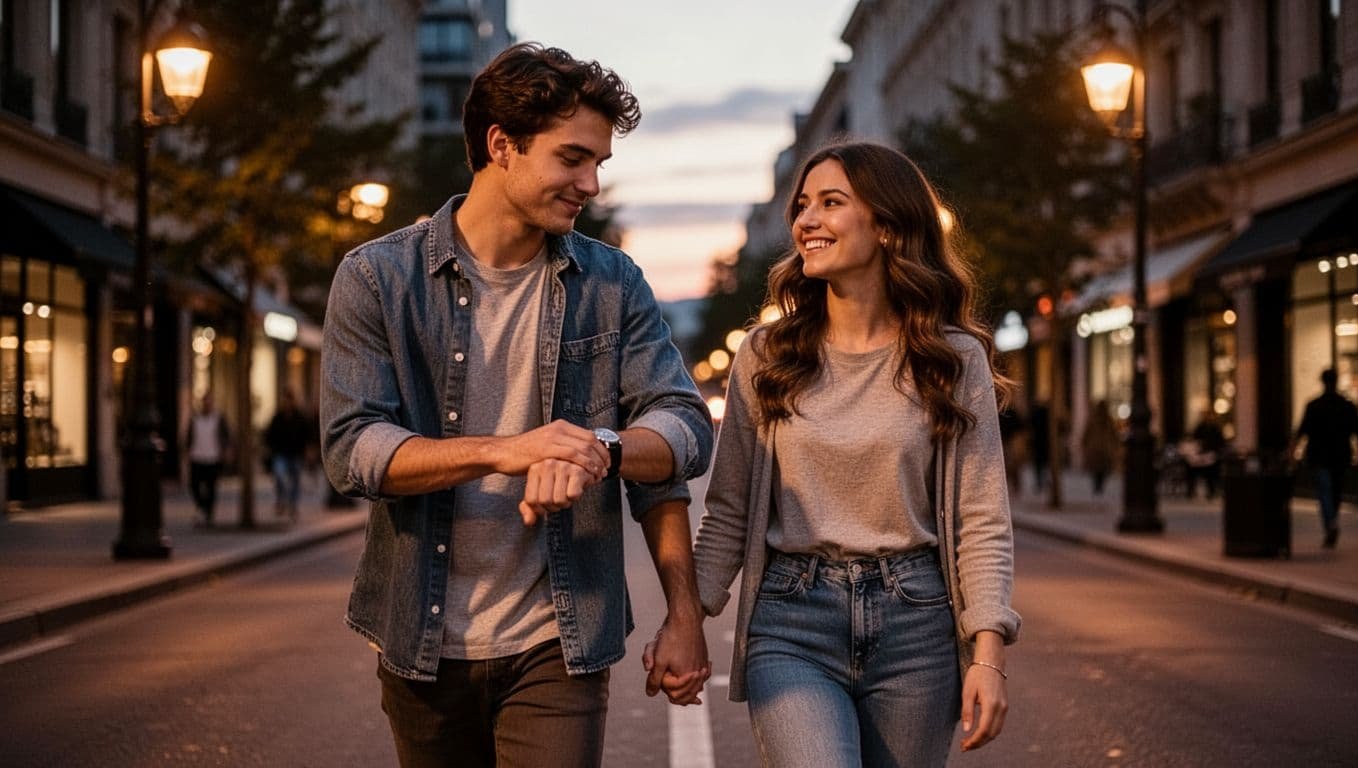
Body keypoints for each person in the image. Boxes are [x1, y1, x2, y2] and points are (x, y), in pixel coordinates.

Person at [320, 43, 715, 768]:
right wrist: (507, 450)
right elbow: (353, 451)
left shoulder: (611, 283)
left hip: (557, 640)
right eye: (573, 158)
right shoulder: (378, 278)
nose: (591, 183)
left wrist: (599, 448)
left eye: (599, 162)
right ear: (502, 145)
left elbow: (683, 428)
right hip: (421, 641)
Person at [679, 142, 1020, 767]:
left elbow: (982, 518)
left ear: (886, 225)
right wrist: (685, 618)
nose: (806, 221)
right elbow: (728, 511)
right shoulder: (766, 356)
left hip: (918, 627)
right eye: (802, 206)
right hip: (792, 620)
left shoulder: (951, 359)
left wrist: (988, 653)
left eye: (830, 203)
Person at [1291, 368, 1358, 548]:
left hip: (1319, 455)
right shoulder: (1347, 406)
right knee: (1335, 490)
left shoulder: (1314, 406)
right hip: (1340, 455)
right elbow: (1356, 431)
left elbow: (1301, 431)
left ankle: (1330, 522)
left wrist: (1292, 453)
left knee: (1325, 491)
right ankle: (1332, 521)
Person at [185, 392, 232, 527]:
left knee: (211, 488)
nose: (207, 404)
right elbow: (189, 436)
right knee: (194, 485)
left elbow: (226, 435)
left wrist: (226, 450)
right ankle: (202, 506)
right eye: (205, 401)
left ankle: (209, 514)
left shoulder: (219, 418)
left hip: (213, 457)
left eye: (209, 401)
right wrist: (187, 450)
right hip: (197, 456)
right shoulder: (195, 418)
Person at [264, 389, 310, 522]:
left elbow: (306, 434)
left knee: (295, 480)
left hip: (296, 454)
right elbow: (269, 434)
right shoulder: (277, 417)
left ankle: (292, 505)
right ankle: (281, 500)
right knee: (279, 476)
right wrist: (270, 448)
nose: (286, 403)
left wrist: (308, 450)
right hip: (280, 453)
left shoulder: (299, 417)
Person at [1080, 399, 1119, 495]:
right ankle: (1099, 486)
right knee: (1101, 470)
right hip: (1103, 449)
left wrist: (1084, 444)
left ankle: (1098, 486)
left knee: (1098, 470)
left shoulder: (1097, 419)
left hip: (1097, 449)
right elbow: (1114, 434)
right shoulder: (1106, 420)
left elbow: (1086, 433)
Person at [1185, 409, 1226, 500]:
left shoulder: (1215, 428)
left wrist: (1214, 452)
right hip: (1200, 454)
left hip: (1212, 455)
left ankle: (1211, 492)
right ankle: (1191, 491)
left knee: (1211, 472)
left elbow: (1220, 443)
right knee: (1190, 468)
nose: (1207, 418)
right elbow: (1194, 439)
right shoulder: (1200, 427)